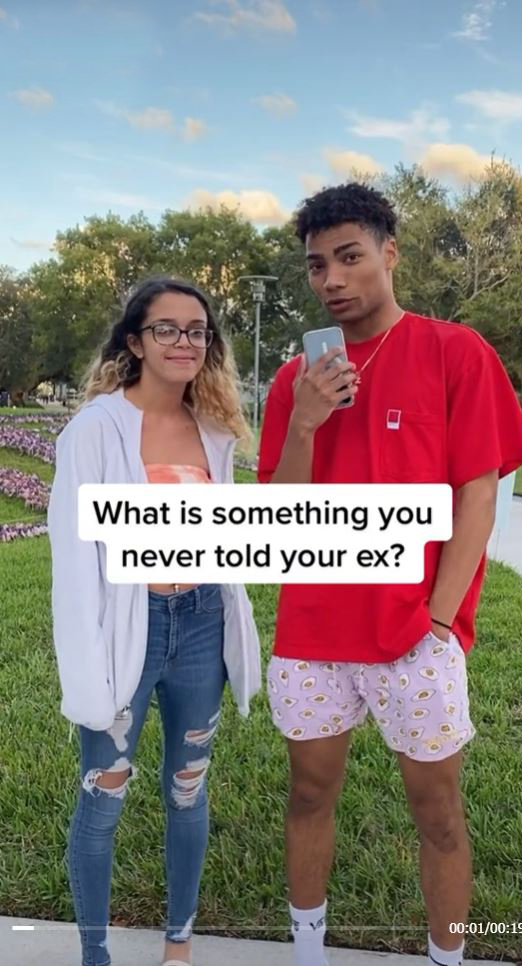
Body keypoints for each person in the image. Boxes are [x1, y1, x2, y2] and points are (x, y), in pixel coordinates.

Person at [257, 183, 522, 966]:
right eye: (317, 266)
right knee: (308, 795)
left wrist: (440, 620)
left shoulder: (455, 352)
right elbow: (280, 517)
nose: (332, 279)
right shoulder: (293, 381)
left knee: (438, 812)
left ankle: (447, 956)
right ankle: (307, 953)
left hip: (416, 633)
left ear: (390, 253)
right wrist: (307, 421)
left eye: (349, 257)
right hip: (314, 633)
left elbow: (477, 495)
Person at [48, 276, 261, 966]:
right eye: (165, 329)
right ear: (135, 342)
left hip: (200, 622)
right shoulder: (96, 428)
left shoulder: (214, 430)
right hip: (126, 631)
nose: (183, 342)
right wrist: (86, 667)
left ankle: (179, 948)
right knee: (103, 795)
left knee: (187, 792)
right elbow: (74, 556)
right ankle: (95, 955)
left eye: (196, 330)